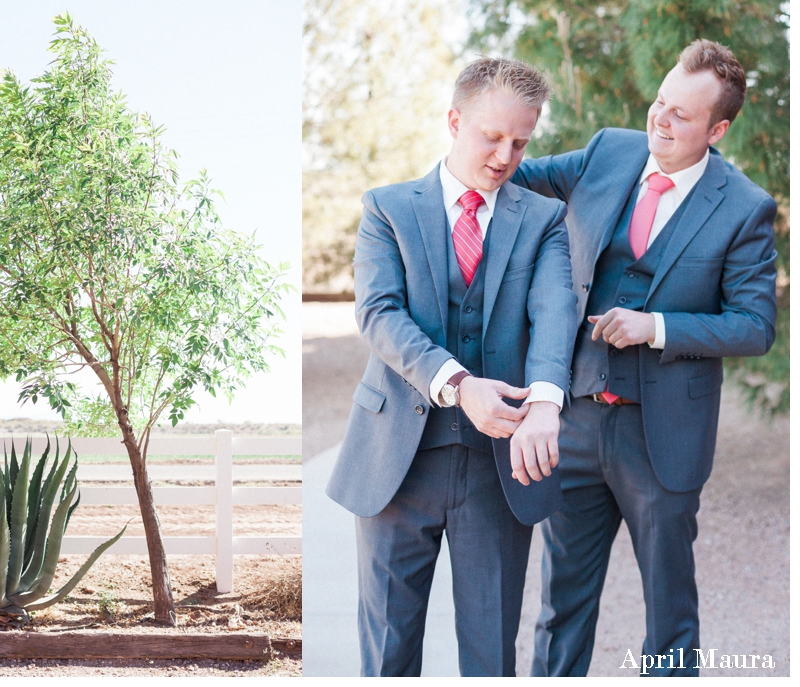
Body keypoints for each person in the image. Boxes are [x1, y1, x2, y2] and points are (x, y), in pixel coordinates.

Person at [510, 39, 778, 677]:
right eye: (660, 101)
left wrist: (656, 326)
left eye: (681, 115)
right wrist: (478, 148)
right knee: (560, 609)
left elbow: (754, 326)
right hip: (572, 423)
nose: (660, 119)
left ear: (718, 129)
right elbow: (516, 175)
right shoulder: (611, 149)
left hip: (663, 439)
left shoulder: (744, 207)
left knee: (670, 615)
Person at [325, 57, 578, 677]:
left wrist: (546, 402)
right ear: (454, 120)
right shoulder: (388, 209)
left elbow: (554, 311)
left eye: (520, 141)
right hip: (395, 464)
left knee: (491, 657)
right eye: (492, 136)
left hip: (499, 472)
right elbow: (380, 313)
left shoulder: (542, 219)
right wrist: (459, 386)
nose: (505, 155)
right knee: (388, 653)